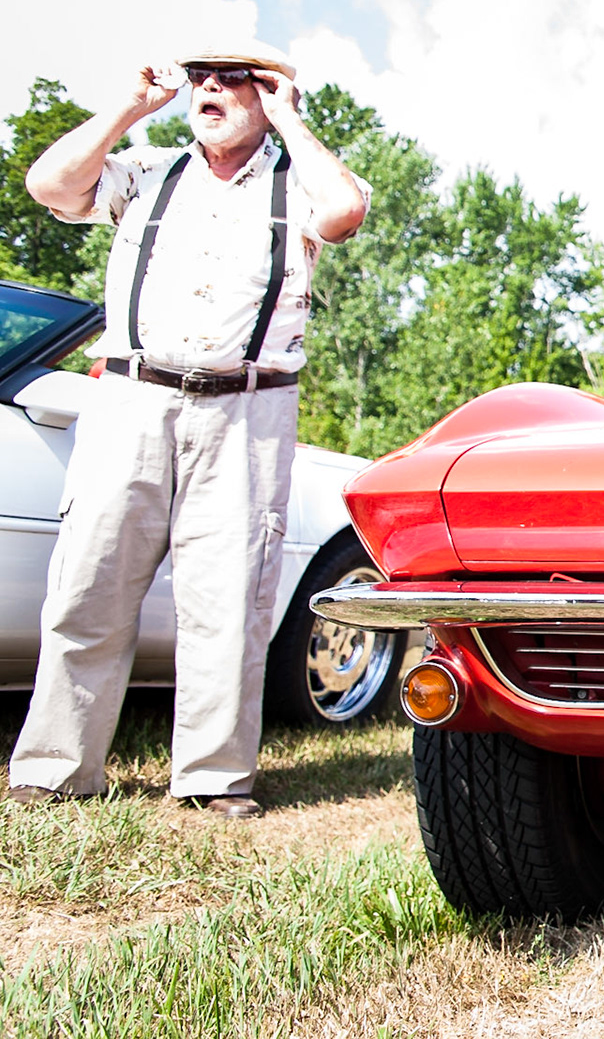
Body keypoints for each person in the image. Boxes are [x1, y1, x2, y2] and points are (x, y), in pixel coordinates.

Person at [6, 43, 369, 818]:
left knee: (228, 598)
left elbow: (344, 212)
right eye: (202, 78)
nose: (212, 89)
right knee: (89, 585)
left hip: (247, 407)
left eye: (235, 80)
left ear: (268, 95)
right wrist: (129, 107)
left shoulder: (293, 182)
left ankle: (212, 780)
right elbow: (48, 184)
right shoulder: (146, 170)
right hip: (132, 400)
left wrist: (290, 123)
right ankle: (55, 768)